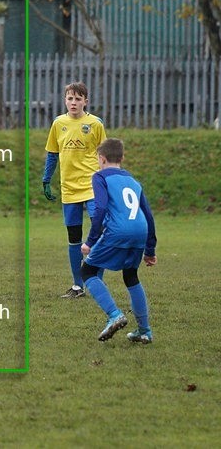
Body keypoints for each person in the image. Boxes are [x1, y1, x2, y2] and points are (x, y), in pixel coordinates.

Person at [80, 138, 157, 343]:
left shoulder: (100, 177)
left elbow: (101, 208)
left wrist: (90, 241)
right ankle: (145, 331)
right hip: (140, 230)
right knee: (131, 276)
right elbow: (148, 215)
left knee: (87, 271)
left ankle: (114, 315)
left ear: (101, 158)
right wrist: (150, 249)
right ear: (122, 158)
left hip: (118, 231)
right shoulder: (133, 181)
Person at [42, 81, 107, 298]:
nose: (73, 102)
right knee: (73, 237)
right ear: (65, 100)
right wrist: (46, 179)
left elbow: (104, 157)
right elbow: (52, 154)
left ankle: (96, 281)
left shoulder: (95, 124)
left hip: (91, 186)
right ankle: (78, 286)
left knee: (98, 230)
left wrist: (107, 181)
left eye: (78, 99)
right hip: (69, 188)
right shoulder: (58, 123)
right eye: (70, 98)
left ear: (85, 102)